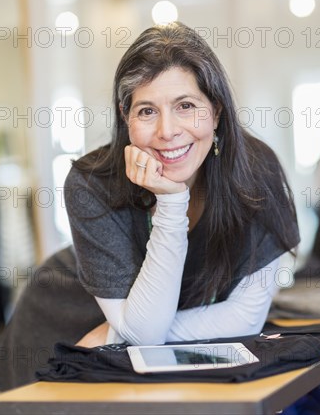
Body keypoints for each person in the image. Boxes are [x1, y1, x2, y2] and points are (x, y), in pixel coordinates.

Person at [65, 22, 300, 348]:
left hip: (105, 341)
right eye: (147, 111)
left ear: (216, 111)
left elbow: (245, 318)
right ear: (125, 117)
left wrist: (114, 336)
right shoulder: (91, 183)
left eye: (185, 106)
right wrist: (173, 202)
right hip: (65, 329)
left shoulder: (256, 171)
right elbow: (144, 334)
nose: (167, 131)